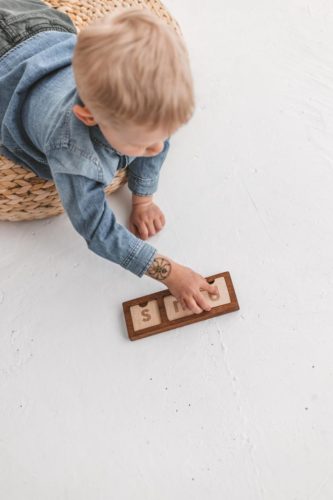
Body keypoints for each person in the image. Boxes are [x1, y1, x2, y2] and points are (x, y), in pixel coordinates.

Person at [0, 0, 218, 314]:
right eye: (143, 145)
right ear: (88, 117)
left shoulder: (142, 118)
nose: (157, 149)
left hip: (39, 26)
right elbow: (98, 230)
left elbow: (156, 140)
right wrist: (171, 273)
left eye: (162, 135)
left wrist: (143, 196)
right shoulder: (75, 157)